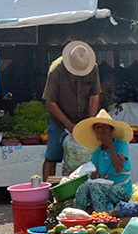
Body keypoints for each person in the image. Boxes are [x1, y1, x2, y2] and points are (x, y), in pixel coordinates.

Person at [42, 41, 101, 180]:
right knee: (52, 156)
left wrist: (89, 123)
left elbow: (94, 96)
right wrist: (70, 126)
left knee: (88, 157)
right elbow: (50, 102)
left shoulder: (92, 67)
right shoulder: (56, 69)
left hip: (83, 118)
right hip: (60, 122)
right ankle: (48, 195)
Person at [70, 110, 134, 214]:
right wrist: (94, 175)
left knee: (95, 188)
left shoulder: (121, 145)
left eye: (105, 126)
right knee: (83, 187)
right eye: (98, 127)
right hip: (103, 187)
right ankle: (77, 216)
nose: (102, 130)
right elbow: (94, 171)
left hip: (121, 188)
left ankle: (102, 219)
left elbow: (119, 168)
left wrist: (110, 144)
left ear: (111, 130)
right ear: (95, 131)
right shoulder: (97, 151)